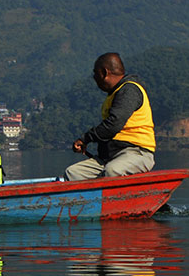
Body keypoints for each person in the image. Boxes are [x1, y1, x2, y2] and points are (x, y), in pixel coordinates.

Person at [65, 52, 155, 181]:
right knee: (73, 173)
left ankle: (116, 200)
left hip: (136, 153)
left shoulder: (129, 90)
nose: (95, 79)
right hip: (110, 156)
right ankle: (85, 201)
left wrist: (85, 139)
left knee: (112, 170)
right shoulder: (114, 94)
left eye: (96, 74)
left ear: (104, 72)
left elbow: (113, 124)